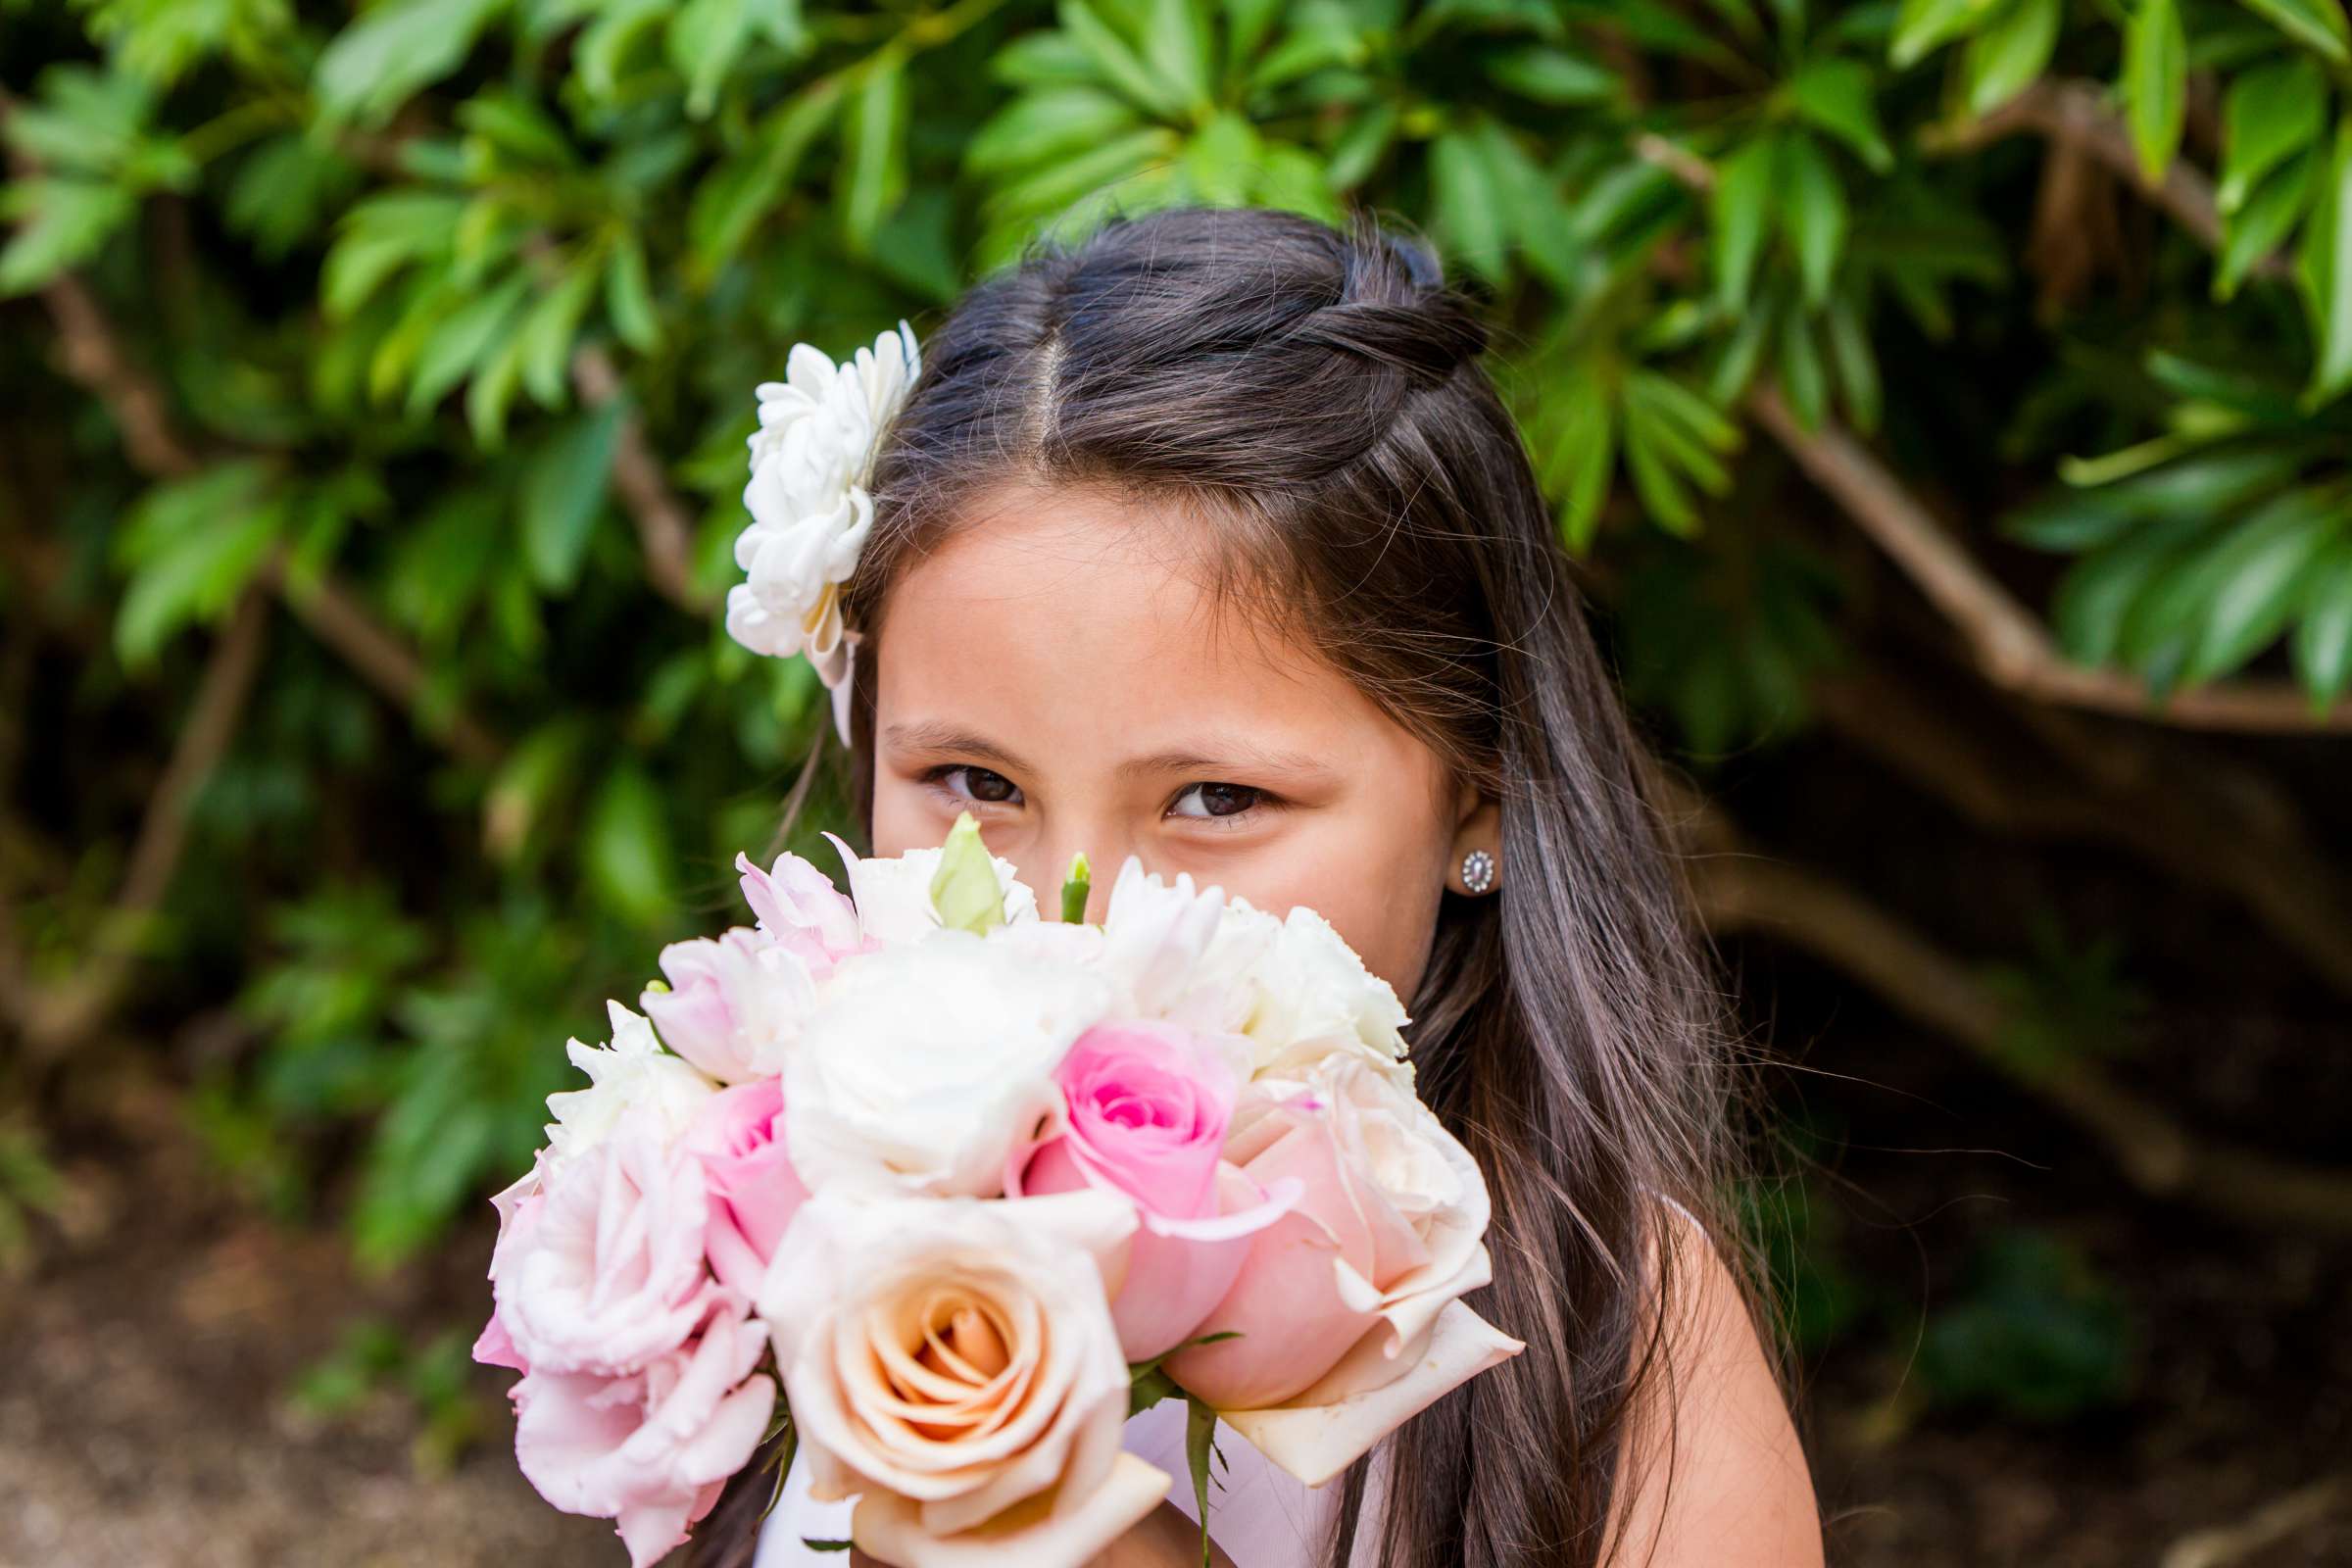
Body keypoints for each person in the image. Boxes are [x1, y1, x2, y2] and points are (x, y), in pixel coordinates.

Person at [687, 204, 1822, 1568]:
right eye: (977, 787)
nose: (1073, 932)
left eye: (1217, 801)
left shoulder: (1613, 1331)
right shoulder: (790, 1240)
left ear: (1482, 799)